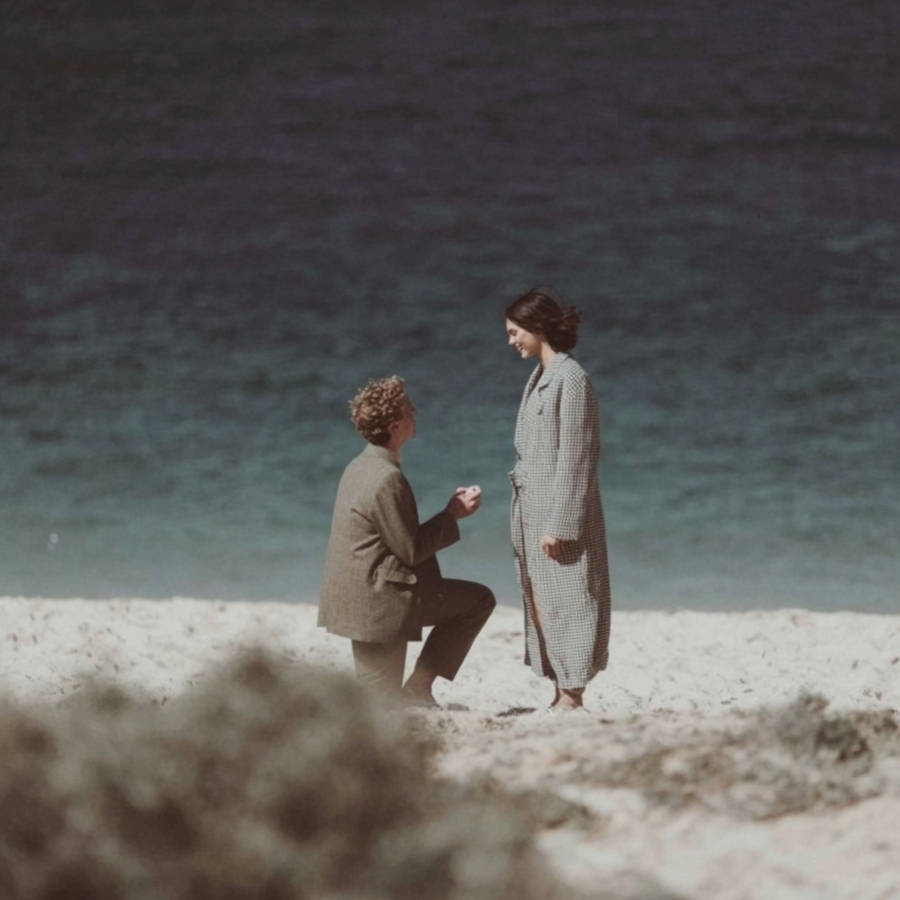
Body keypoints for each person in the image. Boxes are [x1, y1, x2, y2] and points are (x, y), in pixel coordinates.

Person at [318, 375, 495, 707]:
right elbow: (411, 550)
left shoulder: (358, 467)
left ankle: (415, 690)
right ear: (397, 425)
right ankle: (419, 688)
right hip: (381, 604)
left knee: (376, 702)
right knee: (479, 600)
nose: (416, 415)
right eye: (410, 410)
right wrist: (453, 513)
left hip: (356, 598)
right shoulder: (388, 478)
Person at [505, 288, 611, 711]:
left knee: (572, 598)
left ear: (538, 327)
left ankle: (573, 692)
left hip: (557, 514)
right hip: (531, 510)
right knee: (539, 597)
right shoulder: (540, 377)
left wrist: (561, 523)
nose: (512, 341)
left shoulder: (572, 378)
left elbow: (579, 455)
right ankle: (559, 688)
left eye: (515, 332)